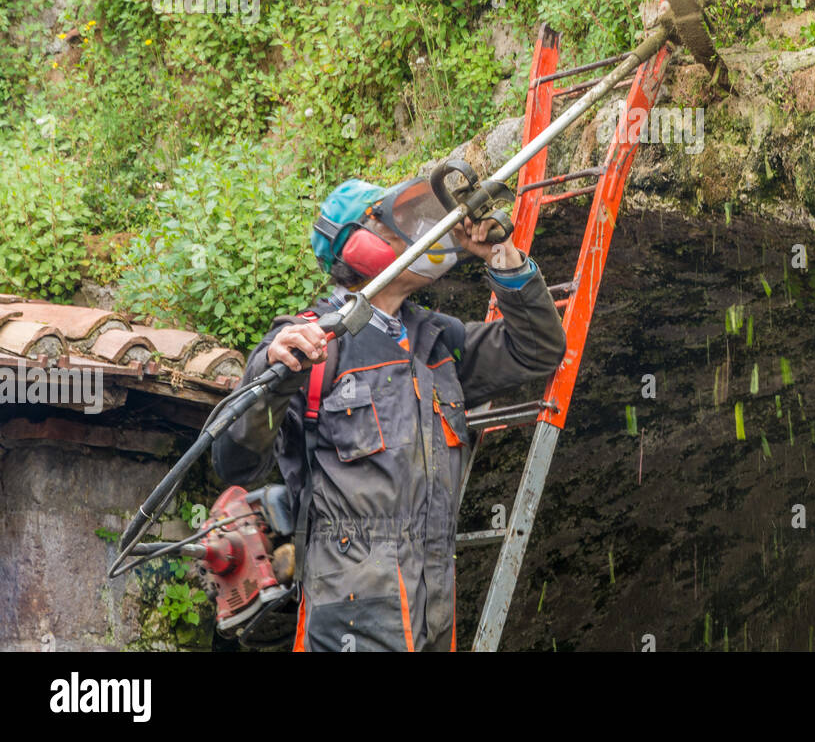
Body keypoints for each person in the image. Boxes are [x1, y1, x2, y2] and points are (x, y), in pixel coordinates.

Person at [212, 177, 567, 651]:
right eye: (406, 224)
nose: (427, 234)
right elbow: (233, 461)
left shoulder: (437, 342)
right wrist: (271, 374)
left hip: (435, 602)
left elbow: (538, 349)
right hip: (355, 611)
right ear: (358, 246)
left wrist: (502, 258)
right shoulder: (308, 345)